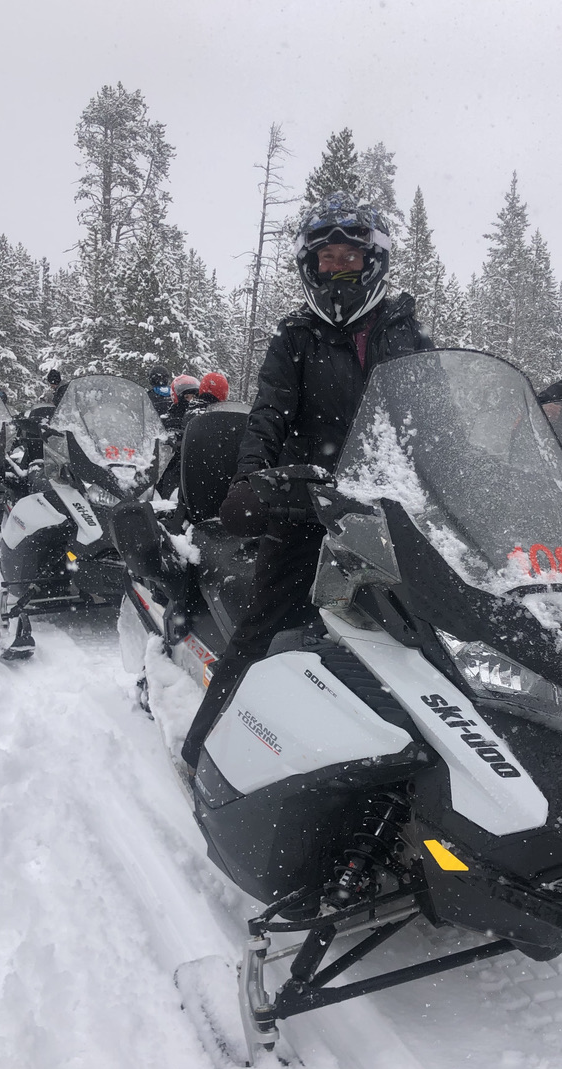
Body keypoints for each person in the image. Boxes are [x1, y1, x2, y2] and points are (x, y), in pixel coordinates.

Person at [181, 190, 434, 771]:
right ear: (311, 267)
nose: (338, 268)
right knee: (266, 625)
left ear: (371, 262)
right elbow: (269, 414)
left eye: (349, 257)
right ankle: (205, 749)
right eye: (327, 259)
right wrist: (253, 482)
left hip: (389, 507)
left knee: (428, 633)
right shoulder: (297, 335)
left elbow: (433, 418)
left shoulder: (403, 331)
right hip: (307, 501)